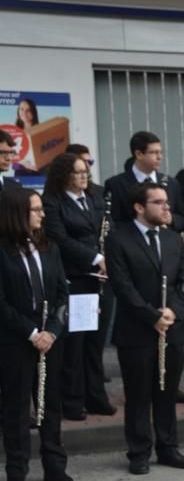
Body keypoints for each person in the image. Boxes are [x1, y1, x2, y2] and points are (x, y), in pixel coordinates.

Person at [105, 183, 184, 475]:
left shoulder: (173, 240)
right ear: (139, 207)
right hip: (137, 331)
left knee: (167, 392)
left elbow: (183, 282)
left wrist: (173, 312)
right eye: (159, 203)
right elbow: (122, 285)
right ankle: (139, 451)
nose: (167, 208)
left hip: (171, 328)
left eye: (167, 202)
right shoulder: (119, 239)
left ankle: (168, 447)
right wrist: (151, 315)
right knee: (139, 394)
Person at [0, 187, 71, 481]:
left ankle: (55, 465)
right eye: (36, 209)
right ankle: (17, 472)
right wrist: (31, 333)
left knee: (51, 403)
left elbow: (60, 293)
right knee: (16, 409)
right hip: (16, 341)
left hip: (49, 340)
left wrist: (52, 330)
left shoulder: (48, 247)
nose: (43, 214)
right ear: (18, 214)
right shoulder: (3, 250)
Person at [41, 152, 115, 420]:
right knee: (75, 344)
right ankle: (71, 401)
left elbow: (108, 230)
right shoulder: (52, 202)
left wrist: (109, 258)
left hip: (102, 278)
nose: (84, 175)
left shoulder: (95, 199)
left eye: (86, 170)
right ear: (64, 175)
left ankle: (95, 396)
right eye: (77, 172)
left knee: (95, 343)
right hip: (76, 277)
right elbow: (59, 239)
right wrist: (96, 257)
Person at [105, 131, 184, 232]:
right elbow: (113, 221)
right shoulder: (116, 184)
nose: (160, 157)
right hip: (132, 243)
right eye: (154, 152)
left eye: (160, 152)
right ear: (139, 154)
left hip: (167, 243)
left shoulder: (172, 183)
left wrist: (171, 219)